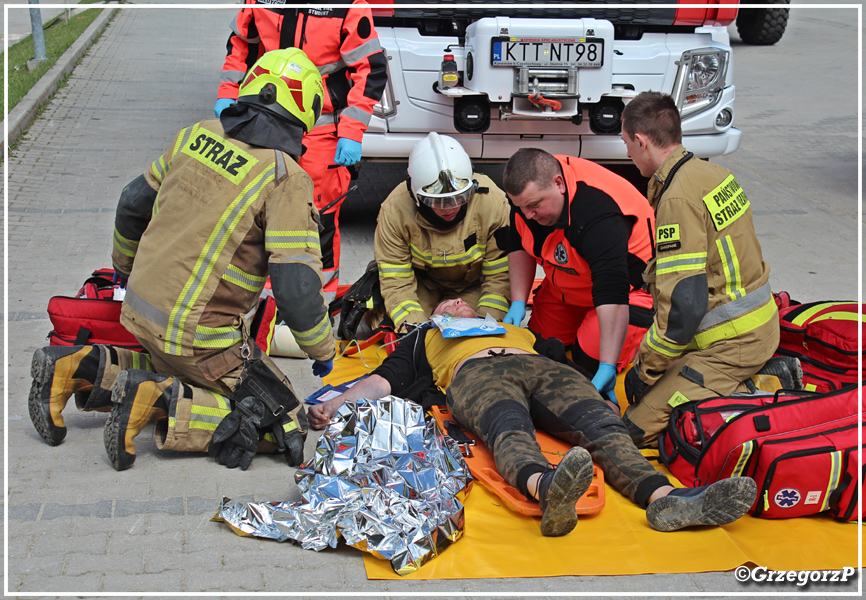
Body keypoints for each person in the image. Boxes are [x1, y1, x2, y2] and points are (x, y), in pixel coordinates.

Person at [28, 49, 336, 472]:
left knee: (169, 362)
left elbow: (132, 203)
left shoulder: (196, 134)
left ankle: (72, 365)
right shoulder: (284, 176)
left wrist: (125, 269)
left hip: (138, 314)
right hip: (199, 339)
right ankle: (155, 398)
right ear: (306, 111)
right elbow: (295, 286)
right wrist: (321, 348)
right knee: (283, 421)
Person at [308, 298, 758, 537]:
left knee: (605, 429)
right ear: (434, 317)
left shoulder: (511, 327)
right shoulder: (427, 337)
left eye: (461, 303)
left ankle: (667, 500)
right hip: (476, 373)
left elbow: (561, 357)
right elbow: (385, 380)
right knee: (507, 427)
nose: (456, 306)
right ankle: (547, 489)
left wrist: (597, 390)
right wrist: (337, 402)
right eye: (446, 306)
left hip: (543, 369)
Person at [619, 91, 780, 447]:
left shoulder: (677, 198)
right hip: (755, 323)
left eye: (627, 143)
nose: (627, 153)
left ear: (641, 141)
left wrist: (645, 371)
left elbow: (683, 308)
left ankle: (760, 390)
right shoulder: (711, 172)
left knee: (634, 429)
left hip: (732, 343)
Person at [214, 0, 388, 303]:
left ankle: (317, 304)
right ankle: (258, 306)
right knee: (255, 213)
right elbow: (241, 44)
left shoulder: (347, 7)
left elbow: (370, 68)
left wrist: (351, 131)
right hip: (261, 122)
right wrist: (228, 94)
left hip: (319, 131)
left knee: (317, 218)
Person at [501, 148, 656, 405]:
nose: (527, 215)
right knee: (538, 348)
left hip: (627, 291)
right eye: (520, 207)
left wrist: (607, 365)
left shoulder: (598, 214)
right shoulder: (530, 196)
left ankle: (639, 334)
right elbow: (518, 242)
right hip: (568, 283)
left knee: (590, 363)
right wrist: (518, 300)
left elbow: (612, 292)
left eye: (533, 206)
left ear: (559, 184)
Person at [373, 132, 511, 332]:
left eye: (459, 198)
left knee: (465, 325)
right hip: (421, 285)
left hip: (472, 286)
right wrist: (414, 330)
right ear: (415, 194)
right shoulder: (395, 211)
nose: (450, 208)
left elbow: (500, 275)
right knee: (392, 323)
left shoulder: (493, 203)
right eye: (437, 201)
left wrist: (487, 322)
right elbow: (397, 282)